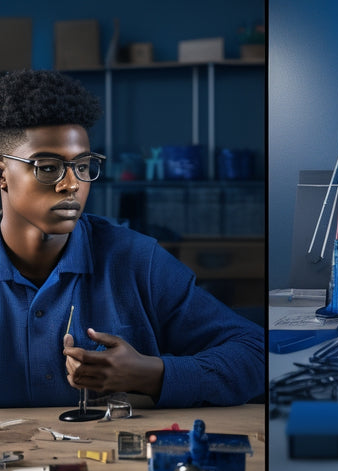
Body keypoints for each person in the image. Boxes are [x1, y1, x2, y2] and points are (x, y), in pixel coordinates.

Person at [0, 69, 264, 408]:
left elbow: (255, 353)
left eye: (82, 166)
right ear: (3, 176)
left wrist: (151, 375)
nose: (72, 185)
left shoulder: (137, 261)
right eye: (48, 167)